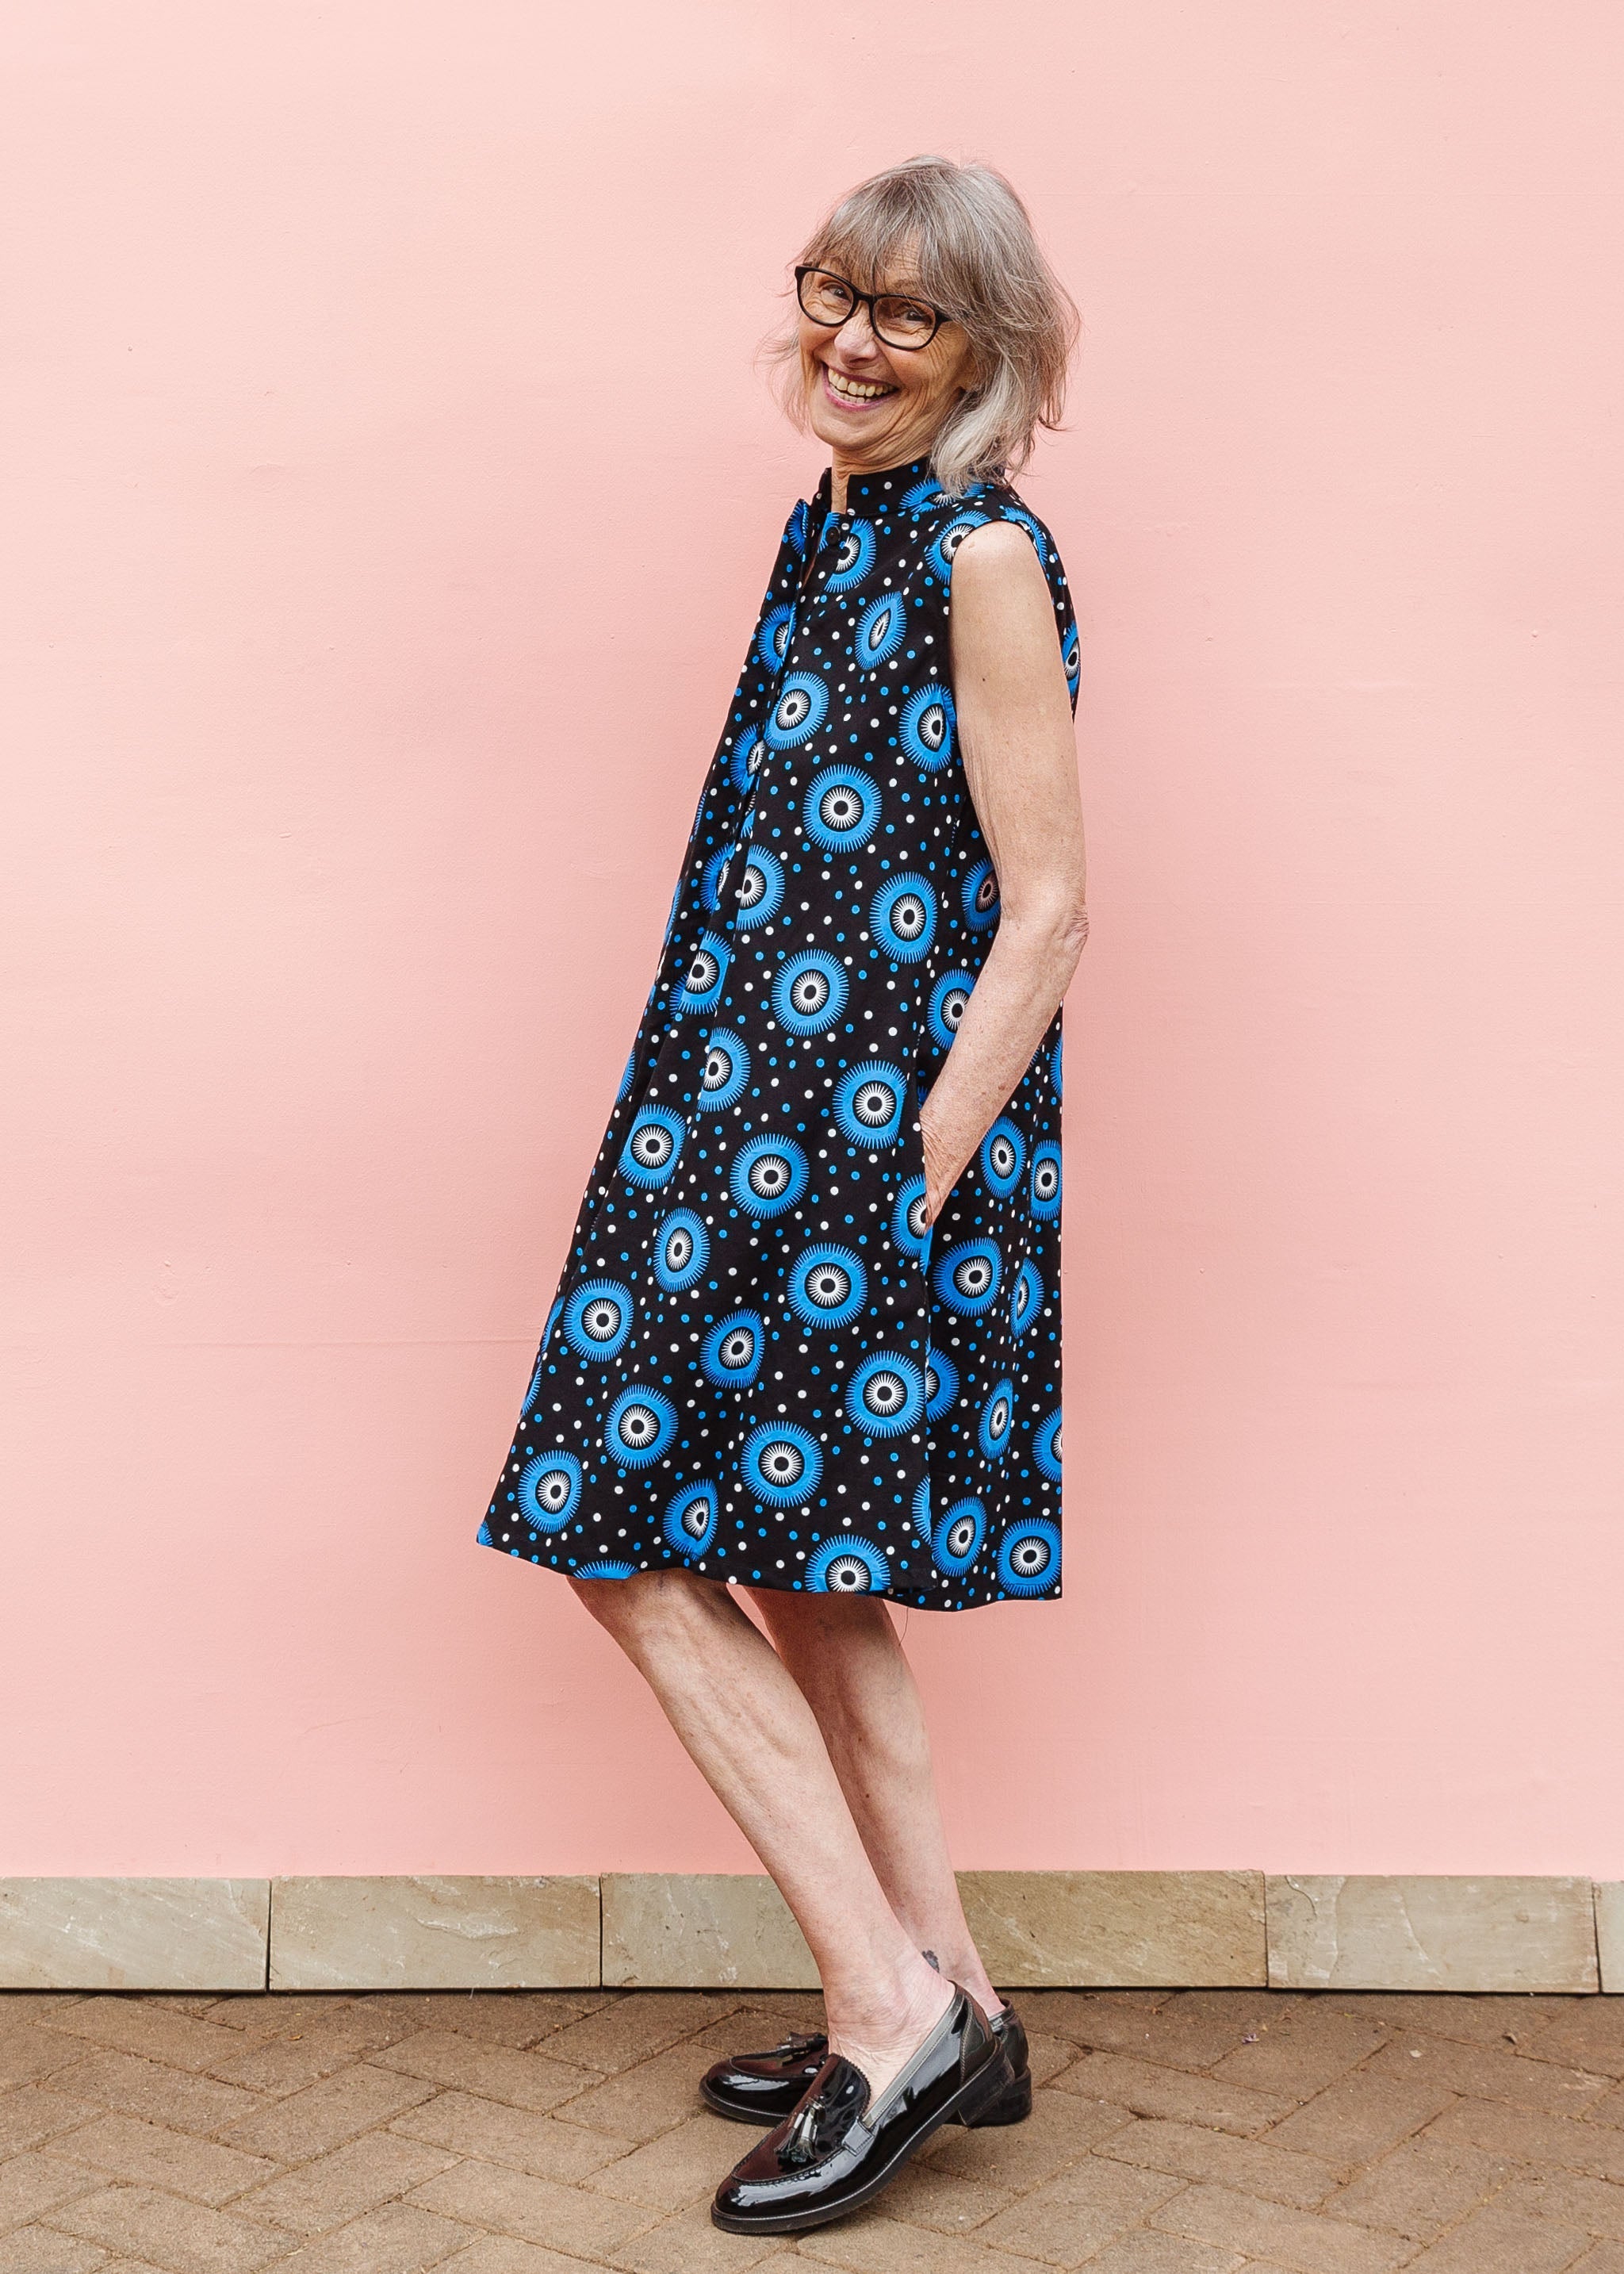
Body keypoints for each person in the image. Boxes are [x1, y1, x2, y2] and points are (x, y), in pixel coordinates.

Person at [477, 153, 1087, 2236]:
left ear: (984, 351)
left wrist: (914, 1166)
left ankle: (880, 2001)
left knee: (617, 1533)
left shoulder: (984, 556)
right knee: (808, 1563)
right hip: (730, 1115)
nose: (849, 338)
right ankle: (956, 2000)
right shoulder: (830, 522)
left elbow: (1052, 907)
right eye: (832, 291)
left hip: (860, 1153)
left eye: (904, 314)